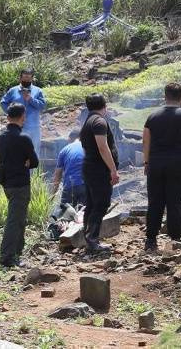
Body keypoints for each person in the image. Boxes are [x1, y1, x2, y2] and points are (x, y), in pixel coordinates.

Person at [143, 83, 181, 252]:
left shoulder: (153, 116)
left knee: (155, 202)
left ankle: (150, 240)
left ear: (165, 96)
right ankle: (175, 239)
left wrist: (147, 162)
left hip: (156, 165)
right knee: (174, 202)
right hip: (178, 165)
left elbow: (146, 141)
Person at [0, 103, 39, 268]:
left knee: (18, 218)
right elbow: (34, 162)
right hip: (20, 184)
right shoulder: (24, 138)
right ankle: (7, 257)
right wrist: (26, 161)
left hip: (7, 183)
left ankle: (16, 253)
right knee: (15, 220)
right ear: (23, 117)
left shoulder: (2, 137)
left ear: (8, 117)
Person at [79, 93, 120, 253]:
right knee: (101, 204)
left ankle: (88, 238)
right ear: (104, 105)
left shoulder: (88, 121)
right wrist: (113, 170)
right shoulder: (99, 122)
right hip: (98, 170)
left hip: (90, 167)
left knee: (92, 204)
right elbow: (103, 147)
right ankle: (92, 240)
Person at [0, 68, 46, 158]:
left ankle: (32, 172)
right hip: (17, 127)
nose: (26, 80)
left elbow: (42, 106)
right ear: (20, 78)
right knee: (17, 152)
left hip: (33, 128)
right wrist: (11, 114)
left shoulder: (38, 91)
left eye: (29, 78)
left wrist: (31, 99)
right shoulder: (13, 91)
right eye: (25, 78)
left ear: (32, 79)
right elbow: (3, 103)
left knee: (34, 152)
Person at [51, 129, 86, 208]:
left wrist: (52, 195)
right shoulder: (88, 147)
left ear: (70, 138)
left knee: (65, 216)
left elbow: (57, 176)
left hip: (69, 187)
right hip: (85, 186)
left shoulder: (64, 151)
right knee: (84, 215)